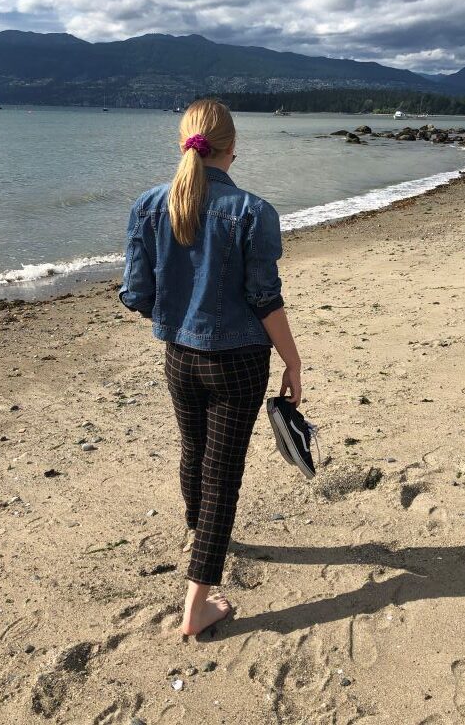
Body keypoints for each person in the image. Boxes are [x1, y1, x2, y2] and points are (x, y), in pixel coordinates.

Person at [119, 99, 302, 636]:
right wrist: (292, 361)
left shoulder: (149, 206)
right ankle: (197, 605)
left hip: (180, 355)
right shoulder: (252, 211)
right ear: (232, 147)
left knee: (193, 452)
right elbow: (265, 298)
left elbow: (136, 295)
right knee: (223, 474)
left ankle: (200, 534)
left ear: (184, 143)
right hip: (240, 361)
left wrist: (179, 311)